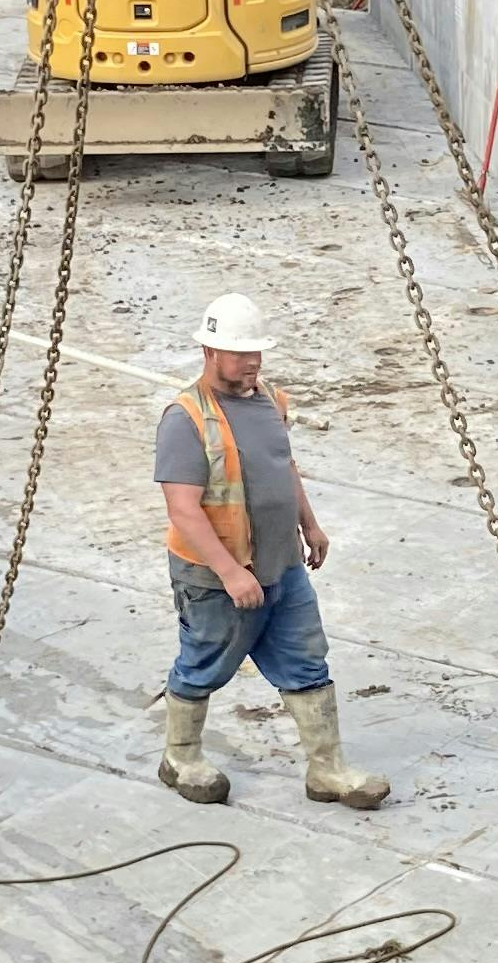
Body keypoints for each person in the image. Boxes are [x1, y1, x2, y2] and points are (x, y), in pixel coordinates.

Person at [152, 293, 390, 812]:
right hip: (216, 580)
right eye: (241, 353)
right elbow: (183, 510)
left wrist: (311, 524)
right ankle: (181, 756)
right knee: (203, 664)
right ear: (210, 351)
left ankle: (328, 770)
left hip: (282, 568)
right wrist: (231, 572)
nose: (253, 361)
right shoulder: (185, 419)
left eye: (257, 351)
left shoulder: (269, 400)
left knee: (307, 661)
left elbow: (285, 467)